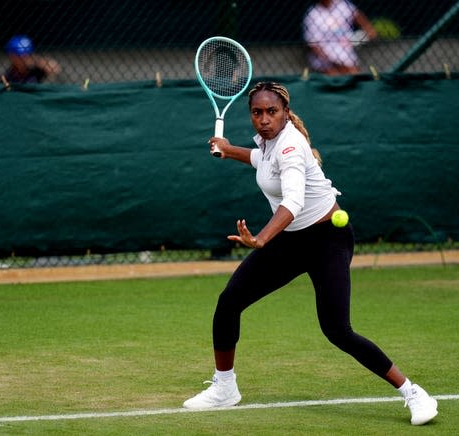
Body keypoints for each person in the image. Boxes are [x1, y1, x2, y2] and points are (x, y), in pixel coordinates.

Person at [182, 81, 439, 426]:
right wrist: (229, 150)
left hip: (326, 240)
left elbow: (292, 201)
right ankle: (224, 388)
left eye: (271, 112)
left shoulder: (291, 145)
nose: (264, 119)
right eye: (257, 112)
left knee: (337, 330)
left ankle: (412, 393)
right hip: (289, 240)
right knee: (229, 302)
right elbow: (260, 159)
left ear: (286, 113)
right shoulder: (269, 142)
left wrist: (261, 239)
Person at [303, 0, 378, 75]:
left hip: (346, 52)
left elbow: (359, 18)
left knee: (353, 73)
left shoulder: (342, 4)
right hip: (324, 58)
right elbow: (314, 46)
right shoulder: (312, 15)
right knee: (337, 75)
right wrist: (336, 64)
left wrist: (366, 32)